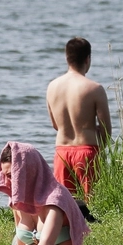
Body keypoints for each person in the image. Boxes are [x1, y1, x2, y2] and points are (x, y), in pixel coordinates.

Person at [46, 37, 111, 196]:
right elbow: (106, 130)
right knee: (92, 202)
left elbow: (55, 125)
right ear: (88, 59)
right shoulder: (95, 88)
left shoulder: (52, 86)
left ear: (67, 58)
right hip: (87, 151)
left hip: (62, 151)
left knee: (64, 203)